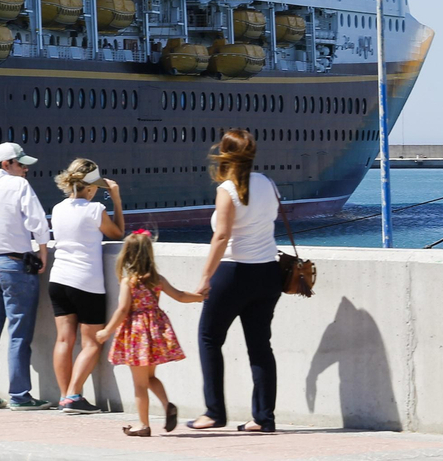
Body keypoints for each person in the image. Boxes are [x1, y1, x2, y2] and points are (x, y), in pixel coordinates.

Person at [188, 128, 282, 433]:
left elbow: (222, 235)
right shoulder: (267, 183)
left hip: (234, 273)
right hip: (268, 272)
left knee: (209, 338)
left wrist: (205, 278)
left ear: (223, 155)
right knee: (260, 346)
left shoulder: (226, 190)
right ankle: (263, 418)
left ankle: (214, 412)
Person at [0, 141, 52, 410]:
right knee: (18, 334)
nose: (26, 170)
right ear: (7, 164)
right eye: (22, 164)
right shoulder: (18, 186)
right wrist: (43, 254)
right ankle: (19, 395)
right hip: (14, 265)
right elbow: (38, 222)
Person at [96, 230, 201, 436]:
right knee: (150, 377)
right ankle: (166, 404)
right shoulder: (157, 279)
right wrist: (199, 297)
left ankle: (143, 425)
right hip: (154, 331)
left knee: (139, 384)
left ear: (128, 255)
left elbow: (123, 309)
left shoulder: (129, 281)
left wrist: (107, 331)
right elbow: (179, 295)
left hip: (136, 333)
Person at [49, 157, 125, 412]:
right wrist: (115, 199)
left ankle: (64, 396)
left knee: (64, 340)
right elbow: (117, 234)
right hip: (86, 281)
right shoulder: (94, 210)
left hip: (58, 279)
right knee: (91, 342)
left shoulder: (58, 208)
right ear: (91, 188)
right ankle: (74, 396)